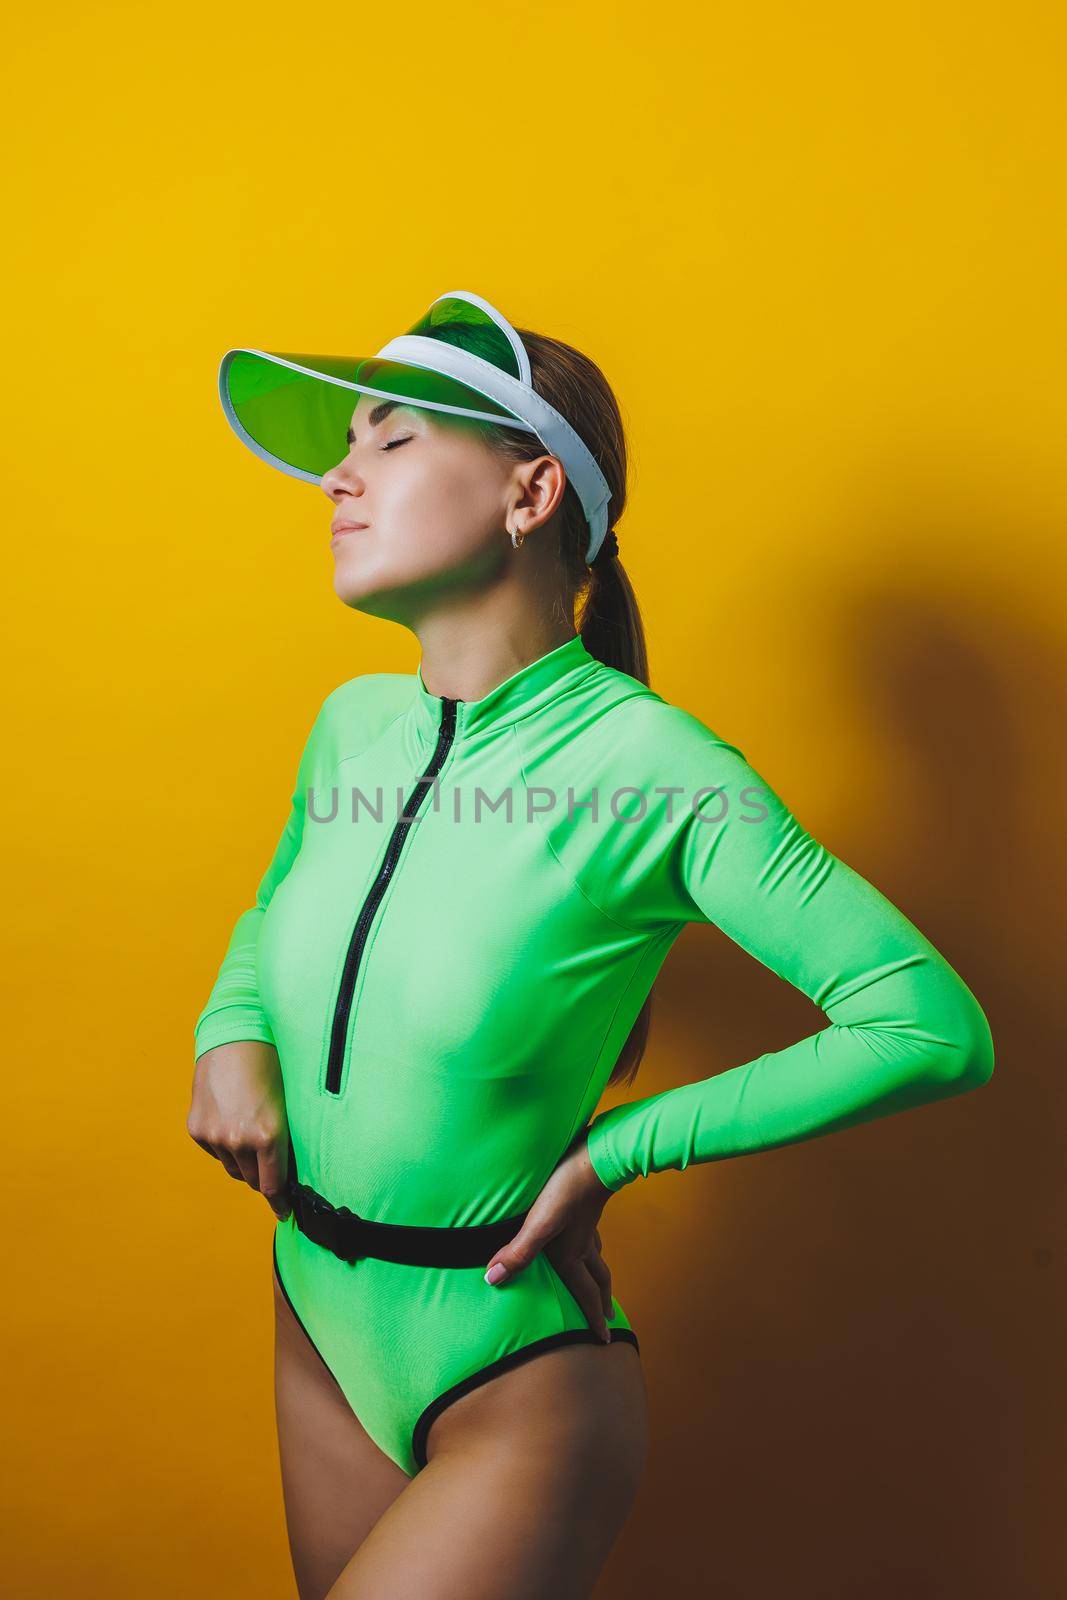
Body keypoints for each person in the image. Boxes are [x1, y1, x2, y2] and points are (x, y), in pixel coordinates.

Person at [188, 291, 994, 1600]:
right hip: (315, 1329)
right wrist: (228, 1033)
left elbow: (930, 1024)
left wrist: (626, 1146)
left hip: (510, 1375)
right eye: (347, 446)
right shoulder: (348, 729)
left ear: (530, 493)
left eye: (390, 442)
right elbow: (274, 905)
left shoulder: (654, 768)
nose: (338, 475)